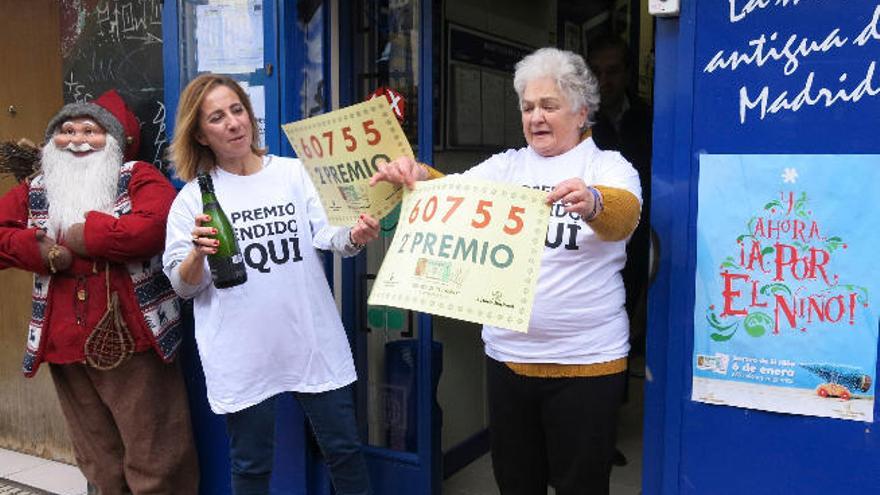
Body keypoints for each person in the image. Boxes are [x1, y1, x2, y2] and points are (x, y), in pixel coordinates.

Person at [370, 47, 642, 495]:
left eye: (549, 106)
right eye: (528, 106)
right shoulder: (507, 166)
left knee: (582, 486)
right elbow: (450, 197)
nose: (536, 116)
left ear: (581, 111)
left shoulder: (609, 167)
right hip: (508, 360)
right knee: (516, 482)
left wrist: (592, 201)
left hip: (587, 364)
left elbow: (623, 217)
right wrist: (416, 175)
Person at [163, 74, 379, 495]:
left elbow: (329, 233)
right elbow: (182, 286)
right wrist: (197, 254)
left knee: (345, 451)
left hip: (310, 340)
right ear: (201, 134)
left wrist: (355, 235)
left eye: (237, 110)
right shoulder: (192, 199)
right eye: (217, 117)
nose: (232, 123)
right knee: (251, 465)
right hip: (243, 353)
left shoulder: (294, 174)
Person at [0, 90, 199, 493]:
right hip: (64, 344)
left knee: (156, 454)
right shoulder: (36, 189)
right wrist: (38, 250)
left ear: (115, 140)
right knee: (98, 459)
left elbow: (155, 226)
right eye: (66, 130)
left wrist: (84, 236)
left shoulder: (137, 177)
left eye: (90, 130)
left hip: (133, 340)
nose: (77, 139)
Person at [588, 34, 653, 355]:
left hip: (641, 234)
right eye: (596, 72)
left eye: (612, 71)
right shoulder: (579, 122)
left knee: (630, 316)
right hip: (592, 236)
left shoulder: (649, 118)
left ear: (627, 73)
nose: (604, 80)